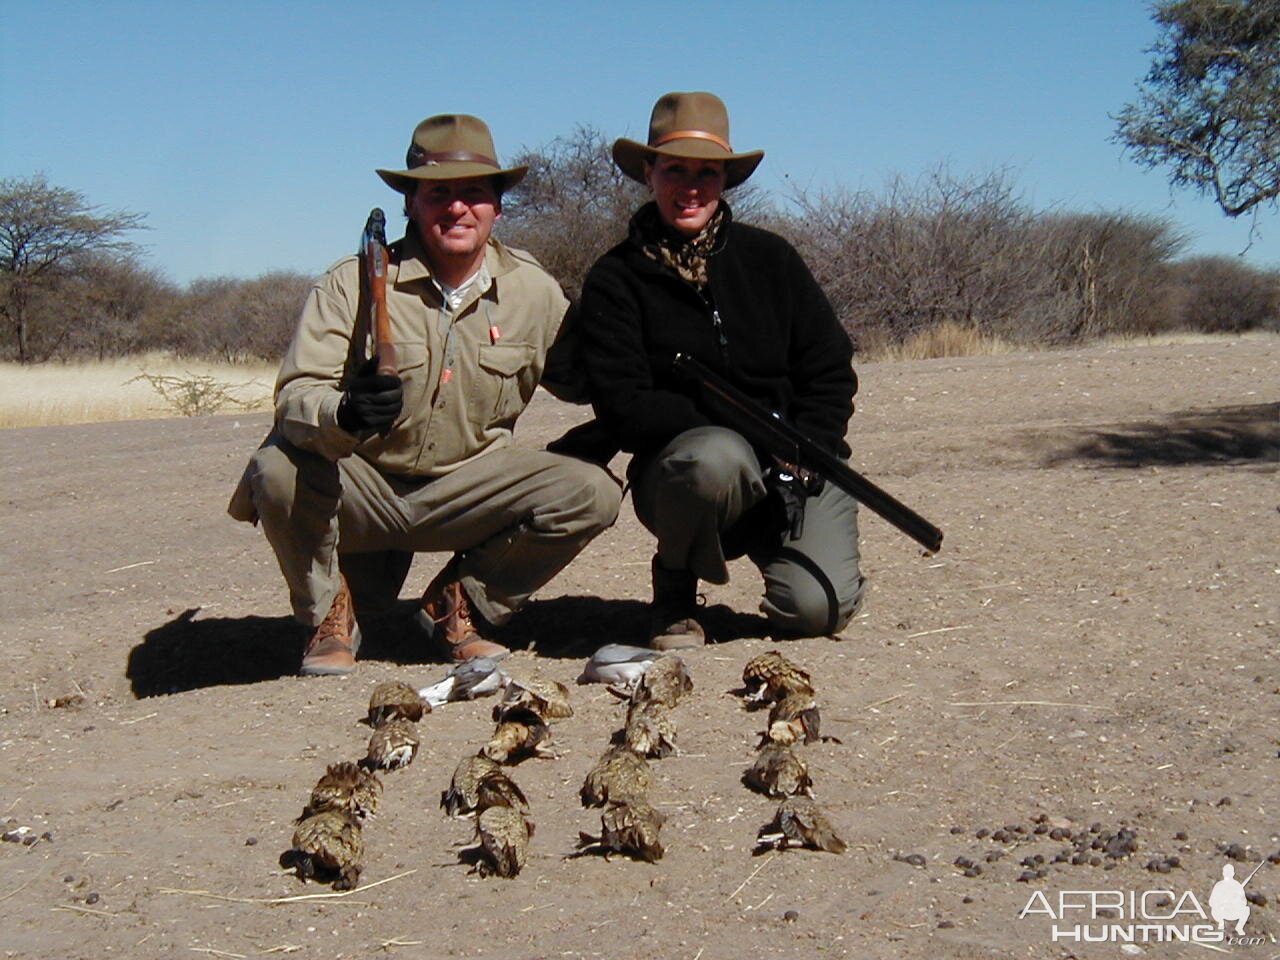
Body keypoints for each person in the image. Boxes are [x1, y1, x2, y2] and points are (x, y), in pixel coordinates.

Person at [228, 114, 622, 676]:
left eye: (473, 193)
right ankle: (328, 613)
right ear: (412, 203)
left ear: (498, 206)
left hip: (470, 487)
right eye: (438, 193)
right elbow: (295, 399)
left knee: (590, 491)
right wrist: (343, 411)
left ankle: (459, 605)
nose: (457, 208)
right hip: (365, 485)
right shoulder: (350, 283)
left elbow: (584, 378)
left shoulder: (534, 290)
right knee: (275, 468)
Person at [576, 91, 866, 649]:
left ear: (726, 179)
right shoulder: (615, 277)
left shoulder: (772, 258)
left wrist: (811, 442)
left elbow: (829, 367)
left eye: (706, 173)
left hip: (794, 466)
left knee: (815, 613)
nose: (690, 187)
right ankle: (676, 591)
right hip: (693, 472)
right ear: (648, 173)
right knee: (714, 457)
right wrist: (739, 427)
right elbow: (623, 406)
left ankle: (812, 562)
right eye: (674, 169)